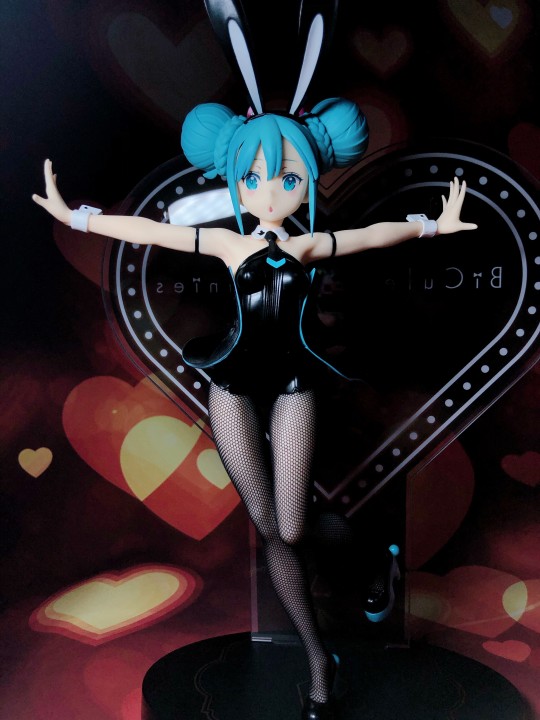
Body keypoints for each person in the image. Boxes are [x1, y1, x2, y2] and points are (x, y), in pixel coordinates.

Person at [32, 96, 477, 720]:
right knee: (271, 531)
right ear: (236, 180)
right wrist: (76, 218)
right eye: (254, 178)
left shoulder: (309, 245)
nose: (269, 193)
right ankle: (320, 665)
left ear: (308, 181)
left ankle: (373, 559)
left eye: (288, 179)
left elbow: (373, 235)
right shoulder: (225, 242)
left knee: (291, 528)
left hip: (294, 383)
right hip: (233, 387)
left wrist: (433, 226)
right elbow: (150, 231)